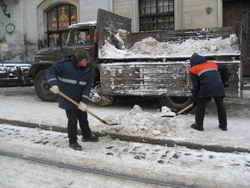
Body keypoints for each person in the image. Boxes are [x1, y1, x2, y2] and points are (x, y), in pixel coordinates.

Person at [47, 51, 98, 151]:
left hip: (80, 96)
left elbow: (88, 86)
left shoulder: (89, 68)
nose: (86, 63)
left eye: (87, 61)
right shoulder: (64, 65)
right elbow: (50, 71)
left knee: (83, 117)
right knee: (72, 120)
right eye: (85, 61)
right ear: (79, 60)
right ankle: (73, 141)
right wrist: (53, 84)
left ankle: (86, 135)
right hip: (67, 96)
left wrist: (84, 101)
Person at [188, 53, 228, 131]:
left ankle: (199, 125)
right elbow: (224, 68)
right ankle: (223, 126)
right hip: (219, 87)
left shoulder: (193, 69)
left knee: (200, 106)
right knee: (220, 106)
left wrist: (195, 97)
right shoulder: (212, 63)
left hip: (206, 88)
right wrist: (224, 81)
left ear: (192, 62)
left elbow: (196, 86)